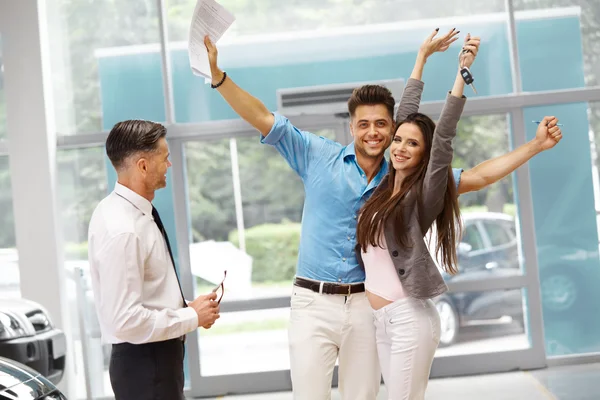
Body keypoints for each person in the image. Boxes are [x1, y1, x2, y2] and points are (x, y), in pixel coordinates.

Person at [202, 29, 562, 399]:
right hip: (312, 303)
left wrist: (533, 146)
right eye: (363, 124)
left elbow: (472, 169)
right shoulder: (319, 156)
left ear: (390, 129)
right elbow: (263, 118)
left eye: (381, 124)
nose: (373, 133)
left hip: (366, 307)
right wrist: (218, 76)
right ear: (352, 126)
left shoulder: (410, 184)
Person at [87, 120, 221, 400]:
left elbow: (148, 293)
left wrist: (188, 309)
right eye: (165, 157)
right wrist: (191, 317)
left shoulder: (123, 211)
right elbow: (125, 320)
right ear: (143, 165)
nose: (169, 165)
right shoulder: (124, 228)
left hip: (153, 361)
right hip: (146, 365)